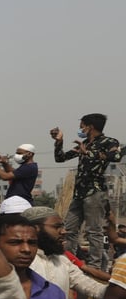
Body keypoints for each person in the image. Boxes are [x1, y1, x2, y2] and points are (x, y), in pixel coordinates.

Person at [21, 206, 106, 299]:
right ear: (35, 228)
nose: (63, 231)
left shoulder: (62, 261)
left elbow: (93, 288)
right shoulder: (22, 264)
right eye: (57, 227)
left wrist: (118, 288)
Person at [51, 113, 122, 267]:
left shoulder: (108, 141)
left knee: (93, 231)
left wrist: (89, 153)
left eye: (82, 125)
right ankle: (68, 262)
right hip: (79, 194)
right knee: (68, 229)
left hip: (95, 192)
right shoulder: (84, 143)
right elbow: (60, 158)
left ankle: (94, 266)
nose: (80, 128)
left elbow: (116, 156)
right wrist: (59, 142)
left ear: (90, 127)